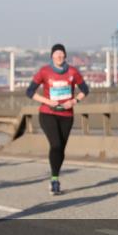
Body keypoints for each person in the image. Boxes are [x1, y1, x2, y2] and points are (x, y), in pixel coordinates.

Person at [26, 44, 89, 195]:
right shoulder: (44, 71)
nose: (59, 57)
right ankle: (54, 180)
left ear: (65, 56)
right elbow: (29, 91)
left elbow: (85, 90)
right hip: (48, 113)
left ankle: (55, 176)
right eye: (56, 54)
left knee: (61, 148)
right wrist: (48, 102)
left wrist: (73, 101)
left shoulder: (73, 71)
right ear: (52, 56)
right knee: (56, 144)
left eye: (62, 54)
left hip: (67, 115)